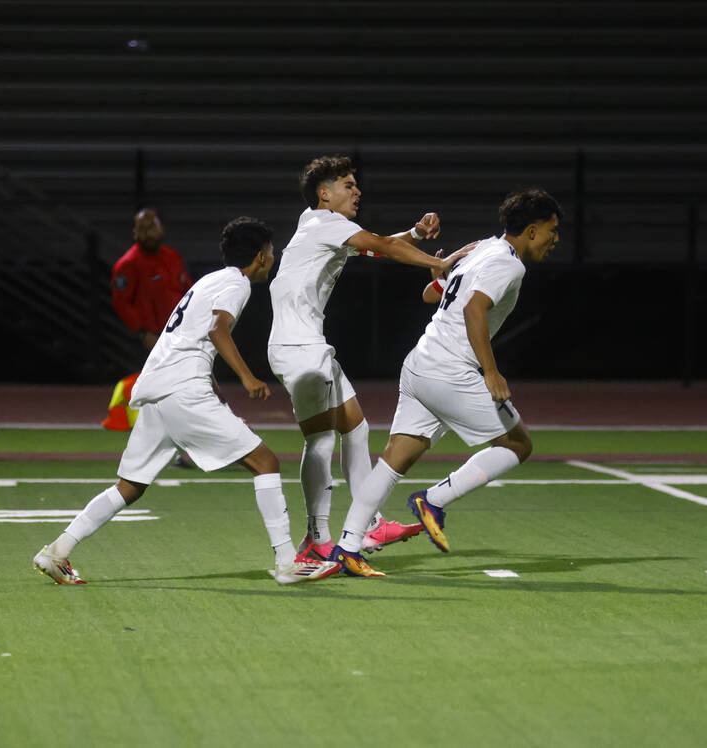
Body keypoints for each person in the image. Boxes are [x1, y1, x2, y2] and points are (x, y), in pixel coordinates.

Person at [33, 217, 340, 586]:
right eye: (272, 252)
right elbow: (216, 330)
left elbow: (191, 338)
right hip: (181, 390)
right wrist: (247, 378)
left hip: (159, 390)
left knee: (129, 487)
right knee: (266, 462)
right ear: (259, 257)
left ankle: (57, 550)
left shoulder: (208, 281)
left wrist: (214, 389)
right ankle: (288, 563)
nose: (273, 258)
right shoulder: (237, 283)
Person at [328, 188, 562, 576]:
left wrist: (445, 274)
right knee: (518, 443)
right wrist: (491, 372)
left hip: (420, 362)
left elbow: (429, 293)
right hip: (450, 371)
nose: (556, 239)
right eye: (553, 230)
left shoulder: (481, 248)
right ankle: (433, 499)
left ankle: (347, 547)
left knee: (393, 460)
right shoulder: (509, 264)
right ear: (532, 230)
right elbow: (473, 308)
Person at [267, 154, 465, 565]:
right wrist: (440, 263)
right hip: (299, 348)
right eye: (347, 185)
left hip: (306, 344)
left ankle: (371, 523)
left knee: (355, 426)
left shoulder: (315, 223)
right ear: (325, 194)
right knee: (319, 439)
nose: (357, 191)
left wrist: (413, 232)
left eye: (356, 184)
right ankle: (317, 538)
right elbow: (385, 247)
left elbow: (375, 248)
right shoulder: (327, 224)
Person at [111, 208, 192, 352]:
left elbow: (188, 289)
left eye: (152, 227)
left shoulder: (172, 256)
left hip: (179, 334)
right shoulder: (128, 264)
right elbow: (121, 303)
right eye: (143, 228)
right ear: (135, 231)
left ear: (161, 228)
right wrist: (142, 333)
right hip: (149, 341)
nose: (148, 234)